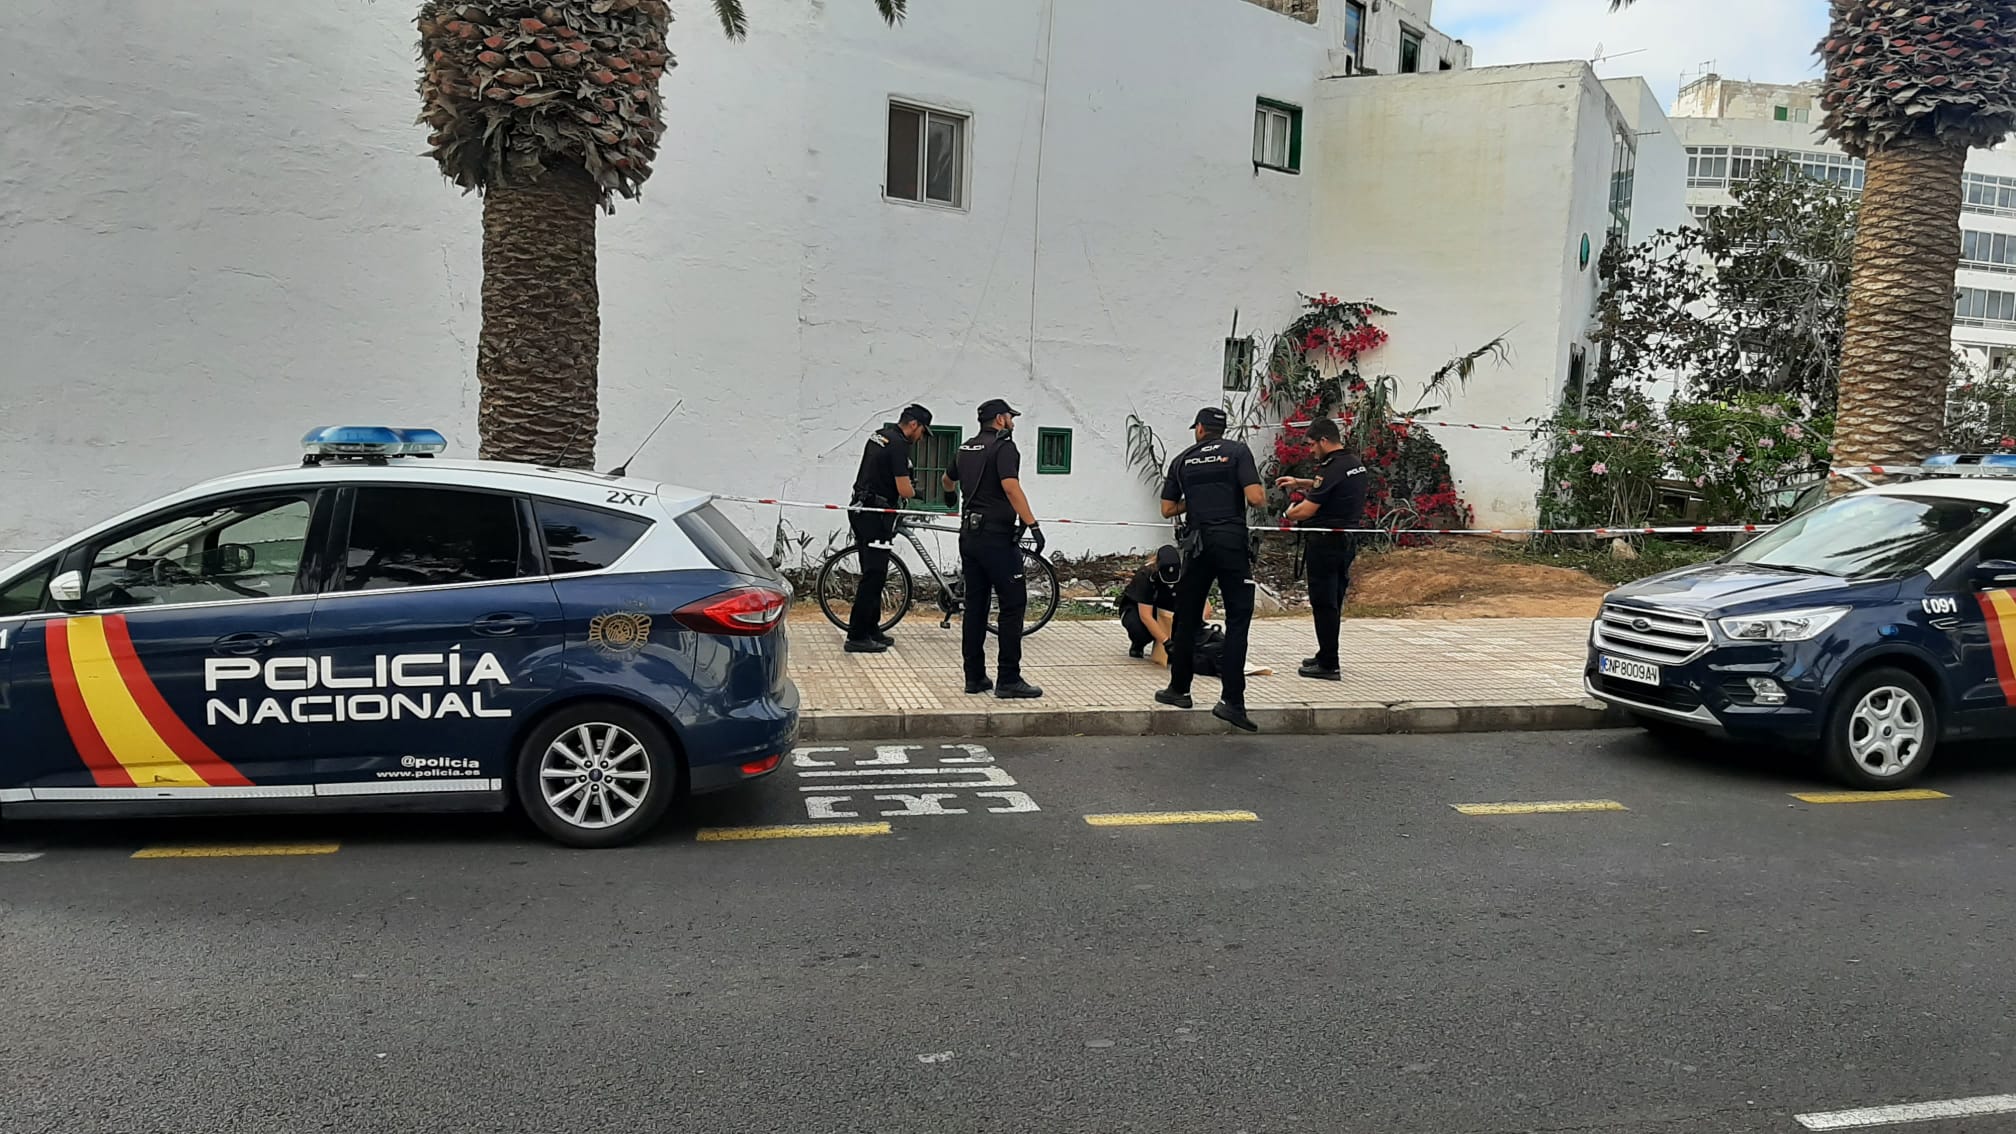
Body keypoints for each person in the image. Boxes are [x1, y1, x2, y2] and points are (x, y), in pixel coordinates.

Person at [1155, 406, 1265, 732]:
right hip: (1231, 543)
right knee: (1238, 619)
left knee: (1187, 619)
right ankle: (1232, 702)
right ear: (1221, 429)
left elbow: (1167, 509)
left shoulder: (1183, 459)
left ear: (1200, 429)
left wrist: (1195, 500)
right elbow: (1256, 498)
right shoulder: (1238, 452)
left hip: (1197, 545)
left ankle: (1179, 689)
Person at [944, 398, 1044, 699]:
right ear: (999, 419)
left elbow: (947, 481)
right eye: (1010, 417)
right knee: (1013, 604)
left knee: (975, 607)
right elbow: (1011, 486)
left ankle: (974, 678)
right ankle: (1009, 679)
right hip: (997, 539)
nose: (1012, 422)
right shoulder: (1004, 447)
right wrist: (1033, 524)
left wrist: (951, 500)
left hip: (970, 538)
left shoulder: (966, 448)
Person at [1278, 415, 1370, 680]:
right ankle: (1326, 651)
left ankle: (1329, 664)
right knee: (1334, 599)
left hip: (1326, 544)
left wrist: (1290, 513)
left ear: (1324, 440)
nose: (1310, 450)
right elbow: (1329, 487)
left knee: (1324, 602)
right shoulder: (1352, 464)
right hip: (1345, 541)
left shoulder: (1330, 468)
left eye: (1311, 445)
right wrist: (1300, 483)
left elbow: (1307, 510)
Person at [843, 404, 933, 653]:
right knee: (874, 575)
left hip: (863, 509)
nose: (921, 438)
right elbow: (904, 489)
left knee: (876, 573)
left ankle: (872, 628)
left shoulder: (880, 435)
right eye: (923, 432)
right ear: (913, 424)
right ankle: (857, 635)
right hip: (876, 516)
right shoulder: (898, 445)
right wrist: (918, 493)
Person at [1121, 545, 1182, 659]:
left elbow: (1204, 607)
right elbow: (1146, 616)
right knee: (1139, 630)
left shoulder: (1185, 573)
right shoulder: (1145, 575)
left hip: (1166, 606)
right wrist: (1167, 643)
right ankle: (1138, 645)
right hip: (1137, 608)